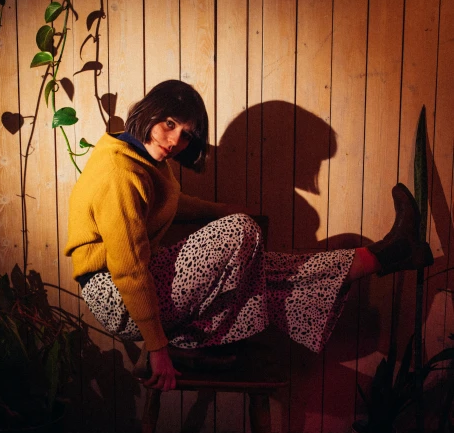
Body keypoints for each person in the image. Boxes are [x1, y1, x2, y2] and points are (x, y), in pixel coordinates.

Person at [65, 80, 434, 392]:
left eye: (186, 134)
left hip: (136, 289)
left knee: (270, 269)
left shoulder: (144, 160)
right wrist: (157, 347)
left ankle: (387, 254)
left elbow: (170, 203)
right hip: (117, 298)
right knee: (242, 232)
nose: (175, 140)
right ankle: (190, 341)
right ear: (148, 112)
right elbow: (129, 270)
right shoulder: (120, 173)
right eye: (169, 124)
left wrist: (223, 210)